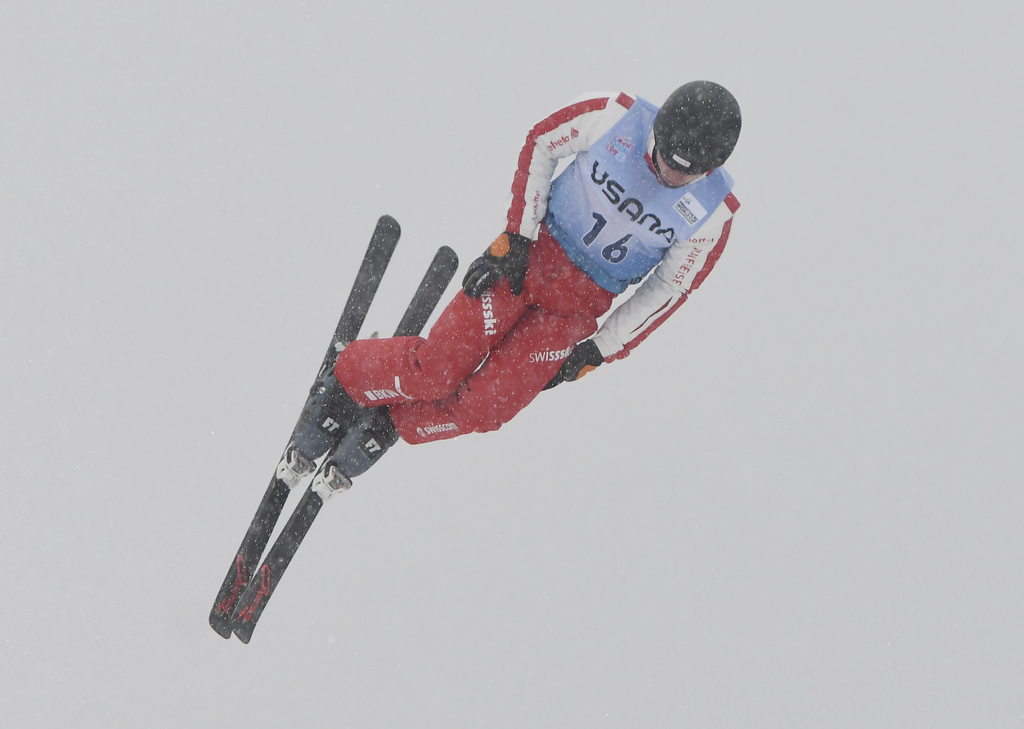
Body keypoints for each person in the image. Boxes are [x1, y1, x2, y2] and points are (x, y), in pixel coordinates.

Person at [317, 81, 742, 484]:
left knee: (488, 408)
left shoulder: (713, 212)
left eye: (685, 175)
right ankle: (344, 382)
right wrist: (517, 236)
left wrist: (602, 348)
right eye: (664, 158)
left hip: (575, 310)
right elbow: (542, 140)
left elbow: (670, 289)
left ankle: (391, 422)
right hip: (530, 260)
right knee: (436, 371)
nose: (668, 176)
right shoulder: (616, 115)